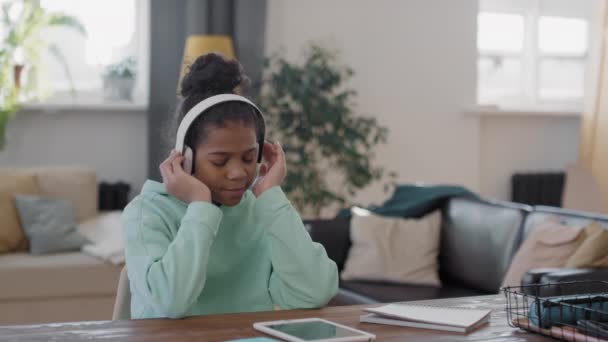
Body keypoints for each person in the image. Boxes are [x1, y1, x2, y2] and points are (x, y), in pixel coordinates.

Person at [121, 53, 338, 319]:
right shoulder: (147, 213)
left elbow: (314, 293)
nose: (237, 173)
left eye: (248, 158)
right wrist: (201, 206)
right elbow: (170, 303)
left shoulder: (259, 209)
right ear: (186, 159)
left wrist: (270, 196)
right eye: (219, 161)